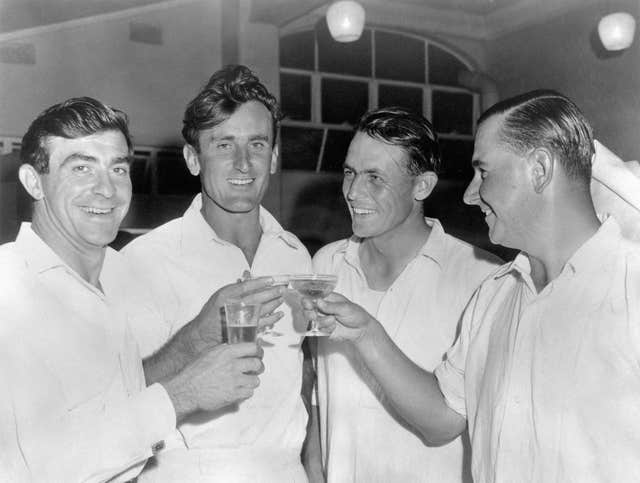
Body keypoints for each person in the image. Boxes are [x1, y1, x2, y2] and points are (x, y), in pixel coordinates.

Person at [308, 90, 640, 482]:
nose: (468, 194)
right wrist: (366, 333)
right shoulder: (495, 295)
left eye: (484, 172)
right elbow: (442, 417)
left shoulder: (628, 285)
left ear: (539, 169)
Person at [0, 97, 280, 482]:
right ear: (34, 182)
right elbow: (45, 467)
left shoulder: (118, 273)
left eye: (117, 168)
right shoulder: (10, 287)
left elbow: (114, 412)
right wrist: (182, 395)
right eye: (81, 167)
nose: (106, 189)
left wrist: (197, 337)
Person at [122, 65, 313, 482]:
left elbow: (302, 379)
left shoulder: (295, 255)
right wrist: (199, 335)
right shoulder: (144, 261)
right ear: (193, 158)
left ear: (275, 156)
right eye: (223, 144)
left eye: (257, 144)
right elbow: (119, 401)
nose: (243, 163)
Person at [308, 107, 501, 482]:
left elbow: (446, 423)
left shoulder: (483, 278)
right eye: (350, 172)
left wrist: (367, 333)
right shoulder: (325, 264)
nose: (353, 191)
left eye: (375, 178)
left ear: (422, 186)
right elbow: (321, 392)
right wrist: (314, 469)